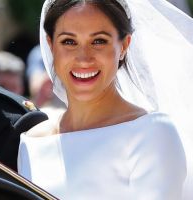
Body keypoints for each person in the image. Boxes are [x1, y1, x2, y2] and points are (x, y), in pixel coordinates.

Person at [17, 0, 193, 199]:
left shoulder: (152, 133)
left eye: (99, 41)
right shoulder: (32, 142)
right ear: (51, 45)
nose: (84, 58)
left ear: (125, 45)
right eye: (69, 41)